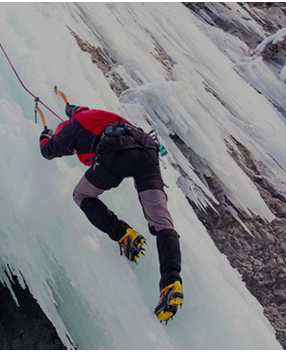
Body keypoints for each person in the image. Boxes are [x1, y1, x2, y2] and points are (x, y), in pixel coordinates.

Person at [39, 103, 183, 321]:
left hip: (116, 150)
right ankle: (171, 281)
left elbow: (48, 150)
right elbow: (79, 110)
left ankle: (124, 234)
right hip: (146, 147)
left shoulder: (70, 127)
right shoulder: (98, 115)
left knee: (82, 195)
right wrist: (70, 107)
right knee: (161, 220)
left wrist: (45, 135)